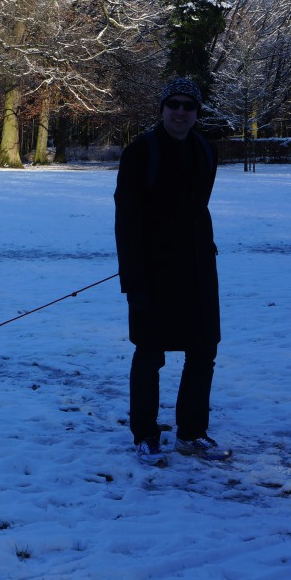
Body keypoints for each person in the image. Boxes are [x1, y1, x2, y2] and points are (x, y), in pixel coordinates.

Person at [114, 78, 231, 465]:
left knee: (203, 352)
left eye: (189, 106)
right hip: (152, 272)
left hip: (198, 270)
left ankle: (192, 433)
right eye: (174, 104)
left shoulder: (206, 150)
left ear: (198, 112)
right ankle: (145, 434)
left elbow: (198, 209)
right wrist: (133, 278)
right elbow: (127, 220)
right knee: (149, 354)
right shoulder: (140, 152)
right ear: (162, 108)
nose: (181, 112)